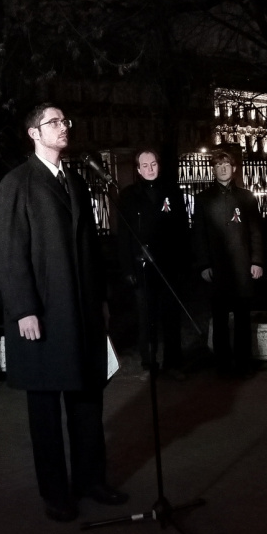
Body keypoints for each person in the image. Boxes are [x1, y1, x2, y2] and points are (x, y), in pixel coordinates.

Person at [0, 104, 128, 522]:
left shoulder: (75, 181)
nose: (63, 127)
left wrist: (100, 299)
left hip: (81, 311)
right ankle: (55, 493)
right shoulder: (18, 183)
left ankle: (91, 479)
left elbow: (90, 249)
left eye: (65, 121)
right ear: (34, 133)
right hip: (44, 315)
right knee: (46, 408)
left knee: (87, 400)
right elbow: (9, 252)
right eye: (54, 122)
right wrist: (23, 309)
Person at [193, 148, 265, 377]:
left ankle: (243, 364)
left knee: (243, 318)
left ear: (234, 168)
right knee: (220, 319)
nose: (222, 169)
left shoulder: (246, 197)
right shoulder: (203, 199)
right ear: (213, 170)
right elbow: (199, 235)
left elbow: (255, 231)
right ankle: (223, 365)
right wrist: (204, 264)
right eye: (218, 165)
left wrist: (257, 261)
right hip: (217, 269)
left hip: (242, 266)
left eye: (226, 165)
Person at [116, 148, 188, 373]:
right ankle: (149, 362)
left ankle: (173, 363)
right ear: (138, 169)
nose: (150, 169)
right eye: (145, 166)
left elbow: (182, 229)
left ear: (159, 165)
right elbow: (123, 235)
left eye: (153, 164)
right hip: (142, 267)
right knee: (147, 318)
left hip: (169, 266)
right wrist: (128, 268)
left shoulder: (173, 192)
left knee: (171, 317)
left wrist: (183, 264)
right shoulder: (128, 196)